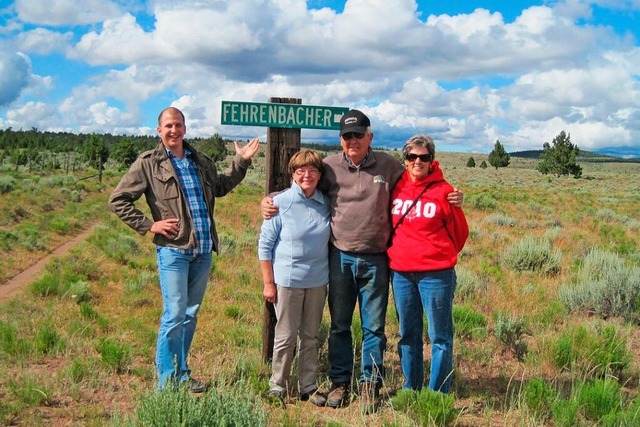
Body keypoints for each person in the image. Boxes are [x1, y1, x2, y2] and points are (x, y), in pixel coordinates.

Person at [261, 110, 463, 414]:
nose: (352, 141)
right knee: (340, 325)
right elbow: (303, 185)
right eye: (347, 136)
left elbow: (419, 179)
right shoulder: (328, 167)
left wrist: (452, 194)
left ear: (370, 136)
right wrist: (271, 199)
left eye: (358, 135)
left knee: (374, 327)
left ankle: (371, 383)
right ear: (340, 139)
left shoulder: (389, 165)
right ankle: (341, 381)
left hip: (377, 260)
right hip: (340, 257)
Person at [109, 106, 260, 392]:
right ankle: (166, 383)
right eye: (168, 126)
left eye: (178, 125)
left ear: (185, 128)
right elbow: (118, 200)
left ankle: (181, 373)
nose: (174, 130)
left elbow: (221, 186)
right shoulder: (148, 163)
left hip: (202, 249)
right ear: (159, 130)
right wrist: (149, 225)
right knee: (175, 313)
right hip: (174, 250)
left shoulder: (199, 160)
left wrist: (240, 161)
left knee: (190, 313)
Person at [387, 135, 468, 394]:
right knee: (407, 333)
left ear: (432, 160)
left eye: (423, 157)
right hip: (401, 273)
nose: (417, 161)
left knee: (439, 337)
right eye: (412, 157)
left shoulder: (445, 191)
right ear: (405, 160)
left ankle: (438, 393)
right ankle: (411, 386)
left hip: (436, 275)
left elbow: (460, 234)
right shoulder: (396, 187)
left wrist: (437, 256)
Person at [258, 149, 330, 407]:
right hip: (287, 281)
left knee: (310, 336)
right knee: (286, 335)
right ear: (293, 174)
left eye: (312, 170)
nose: (306, 175)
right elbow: (265, 246)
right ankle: (278, 385)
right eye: (300, 170)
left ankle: (308, 386)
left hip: (318, 281)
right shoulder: (281, 203)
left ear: (320, 175)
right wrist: (269, 283)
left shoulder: (325, 203)